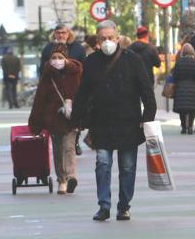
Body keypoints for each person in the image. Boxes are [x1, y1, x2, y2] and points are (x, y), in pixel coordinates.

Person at [73, 20, 156, 222]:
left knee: (127, 167)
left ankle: (124, 206)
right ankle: (104, 205)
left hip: (129, 122)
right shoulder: (90, 62)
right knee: (103, 164)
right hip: (101, 122)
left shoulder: (132, 60)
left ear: (117, 38)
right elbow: (82, 93)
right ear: (97, 40)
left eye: (111, 37)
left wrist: (147, 118)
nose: (107, 41)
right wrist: (77, 118)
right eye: (103, 38)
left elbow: (146, 90)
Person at [28, 44, 82, 194]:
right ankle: (62, 180)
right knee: (58, 150)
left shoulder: (75, 72)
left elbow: (83, 94)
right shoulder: (47, 75)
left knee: (69, 148)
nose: (57, 60)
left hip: (72, 117)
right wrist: (35, 124)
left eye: (60, 57)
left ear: (67, 59)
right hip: (53, 118)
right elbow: (39, 100)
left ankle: (71, 176)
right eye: (54, 58)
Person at [40, 24, 87, 155]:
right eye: (58, 33)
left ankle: (75, 140)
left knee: (74, 117)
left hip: (74, 88)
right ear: (54, 34)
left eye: (63, 33)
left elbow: (84, 68)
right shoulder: (48, 49)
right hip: (54, 90)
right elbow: (42, 69)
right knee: (57, 119)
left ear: (69, 34)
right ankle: (61, 143)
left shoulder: (78, 48)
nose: (61, 35)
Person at [173, 43, 195, 134]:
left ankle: (183, 127)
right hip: (193, 88)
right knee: (191, 110)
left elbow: (175, 76)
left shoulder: (179, 62)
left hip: (181, 88)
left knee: (182, 110)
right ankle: (190, 127)